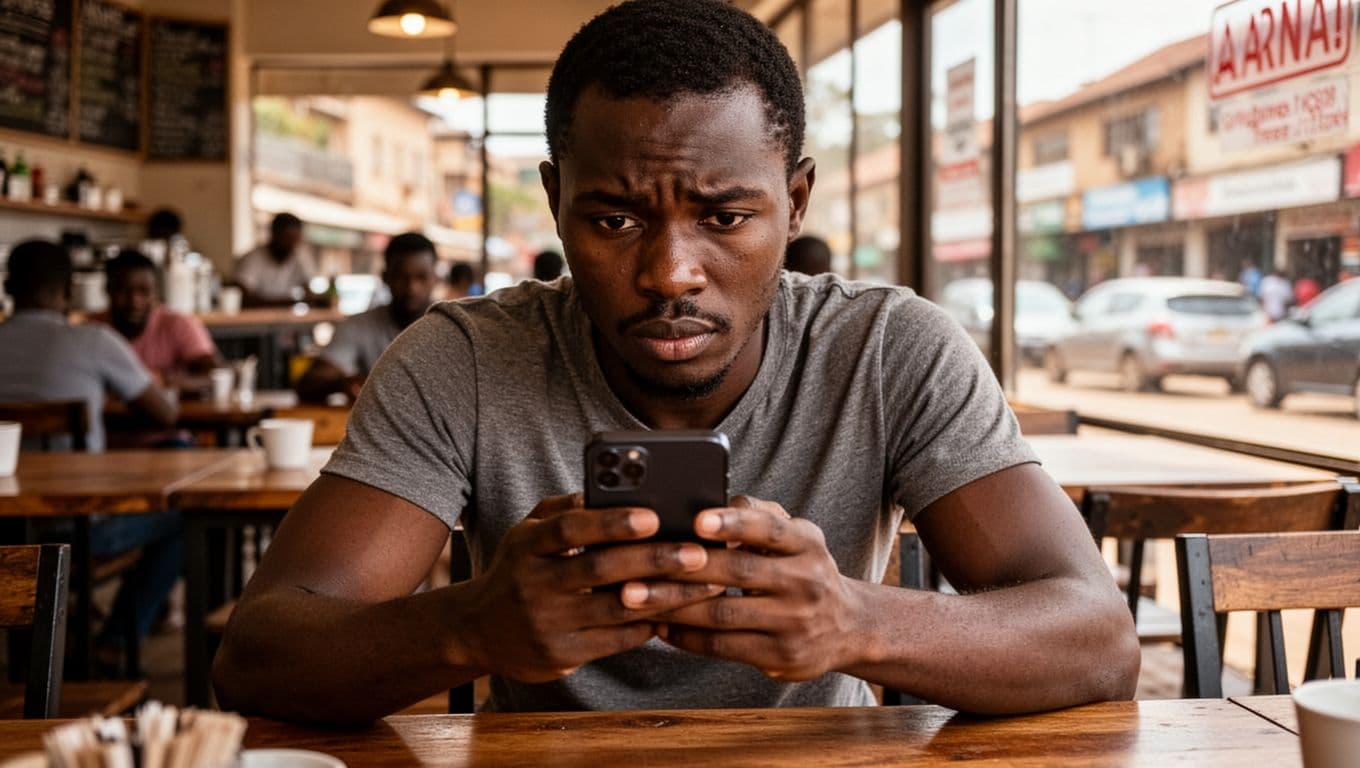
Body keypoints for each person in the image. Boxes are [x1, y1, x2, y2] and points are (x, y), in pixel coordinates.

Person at [216, 0, 1136, 724]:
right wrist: (469, 624)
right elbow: (258, 656)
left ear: (796, 200)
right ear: (556, 200)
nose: (669, 273)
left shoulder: (890, 350)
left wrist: (855, 620)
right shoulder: (463, 359)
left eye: (725, 217)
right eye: (614, 218)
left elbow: (1097, 639)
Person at [0, 240, 184, 656]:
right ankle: (115, 643)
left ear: (8, 286)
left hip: (3, 528)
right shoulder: (94, 341)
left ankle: (56, 631)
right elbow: (165, 414)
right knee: (181, 516)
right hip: (75, 532)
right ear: (69, 291)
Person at [295, 233, 439, 403]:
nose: (412, 288)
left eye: (421, 277)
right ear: (385, 277)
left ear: (435, 278)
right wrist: (343, 383)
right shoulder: (358, 326)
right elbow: (308, 385)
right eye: (401, 277)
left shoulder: (453, 329)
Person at [92, 251, 220, 385]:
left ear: (156, 292)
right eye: (124, 291)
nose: (134, 302)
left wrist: (163, 380)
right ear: (108, 290)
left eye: (144, 291)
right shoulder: (92, 330)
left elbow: (215, 375)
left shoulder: (179, 325)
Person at [232, 213, 318, 306]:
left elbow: (309, 291)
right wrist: (287, 303)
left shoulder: (300, 257)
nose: (291, 244)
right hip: (257, 315)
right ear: (274, 235)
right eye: (287, 238)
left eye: (295, 239)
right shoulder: (252, 258)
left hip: (289, 314)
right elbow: (244, 298)